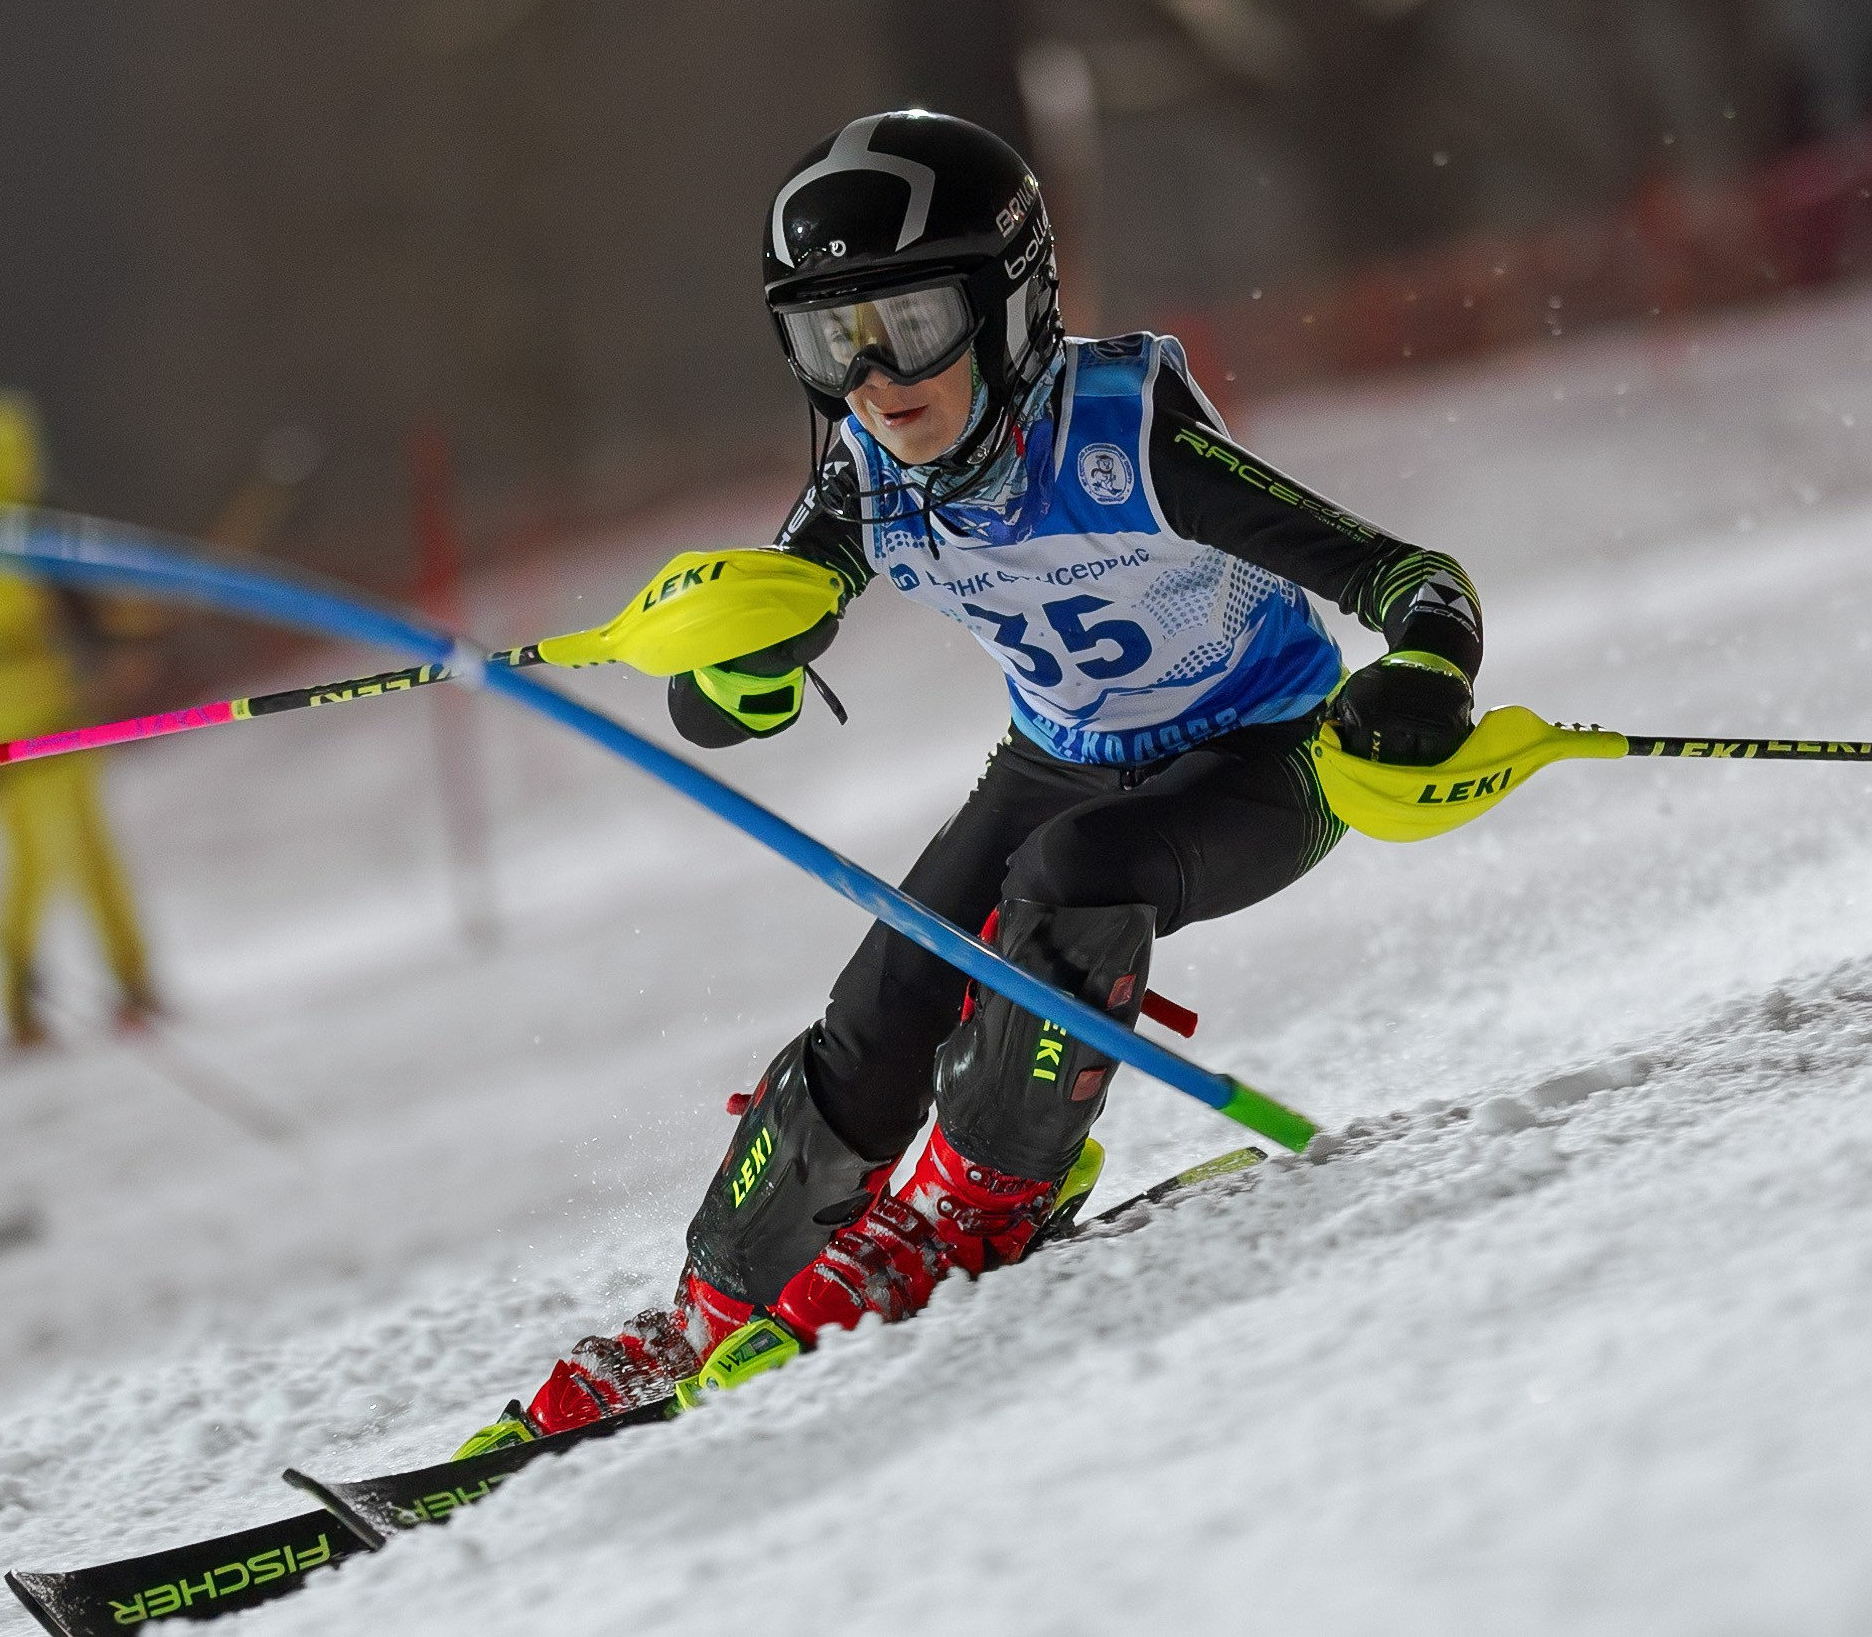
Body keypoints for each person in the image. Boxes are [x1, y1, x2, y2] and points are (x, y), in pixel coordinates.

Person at [463, 111, 1484, 1449]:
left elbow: (1412, 580)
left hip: (1255, 757)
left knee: (1069, 882)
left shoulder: (1128, 435)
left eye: (914, 321)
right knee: (885, 1001)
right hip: (1054, 761)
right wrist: (733, 677)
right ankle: (724, 1300)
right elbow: (746, 655)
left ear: (1009, 307)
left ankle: (980, 1199)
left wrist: (1422, 673)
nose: (879, 375)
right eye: (833, 337)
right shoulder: (866, 473)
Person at [0, 388, 162, 1047]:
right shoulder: (27, 520)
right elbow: (79, 602)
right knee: (83, 848)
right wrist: (121, 643)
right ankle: (127, 984)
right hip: (47, 697)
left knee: (28, 857)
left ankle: (24, 1004)